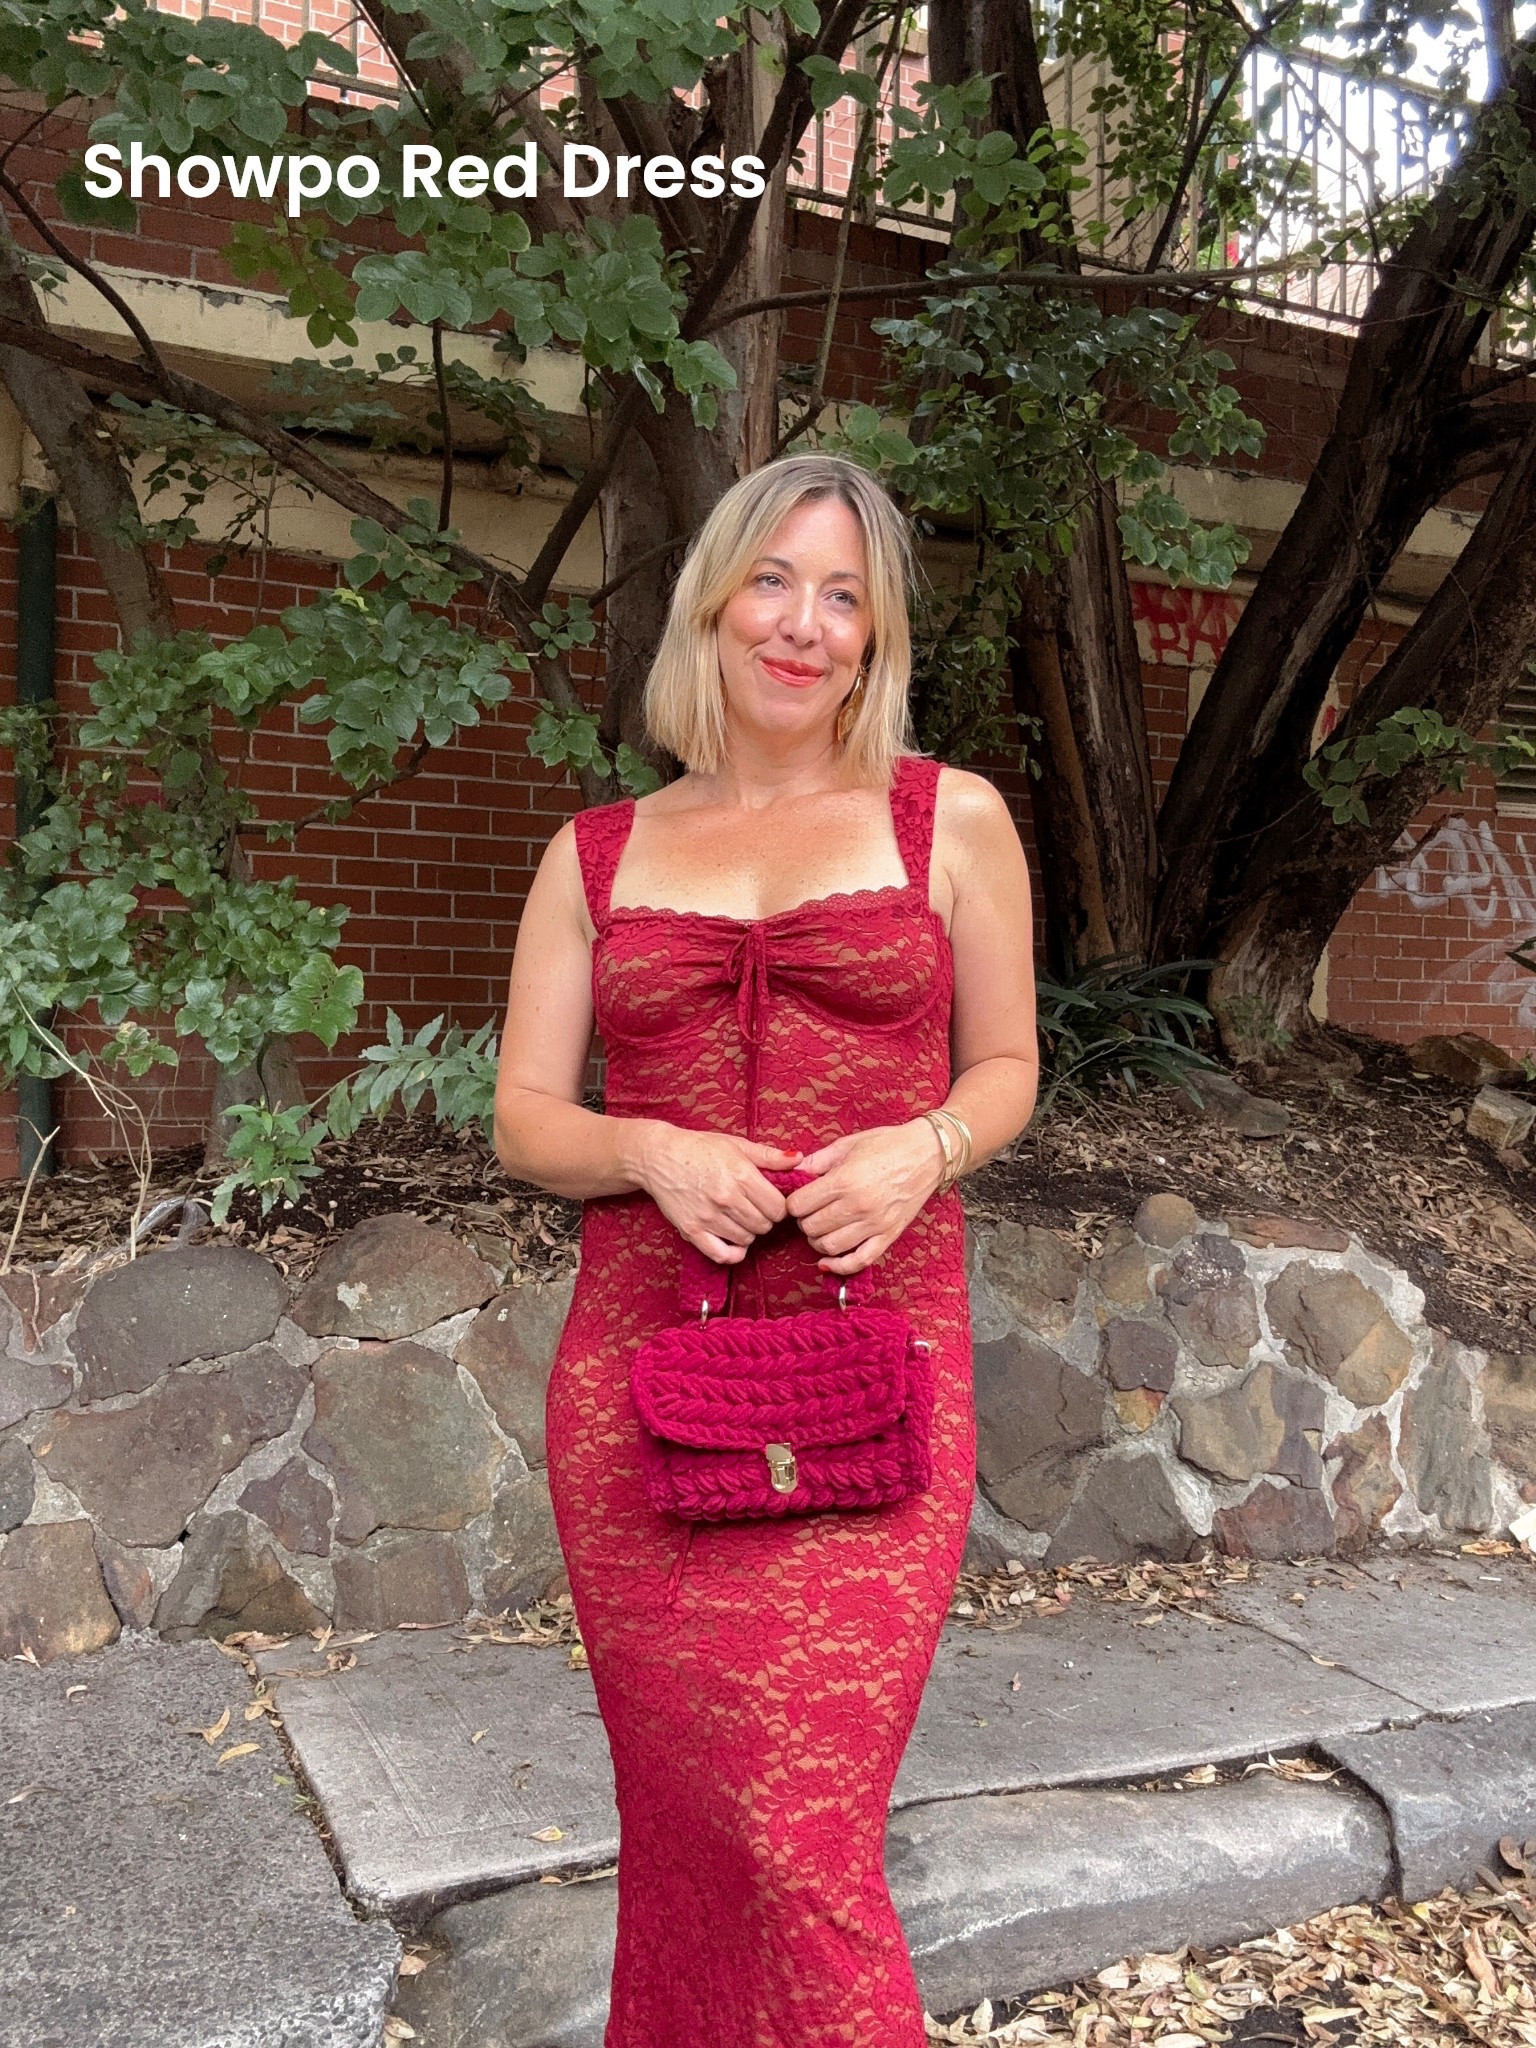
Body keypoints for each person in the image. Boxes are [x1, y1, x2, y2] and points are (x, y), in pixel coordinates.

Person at [493, 452, 1038, 2047]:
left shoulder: (955, 820)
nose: (804, 626)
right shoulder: (596, 854)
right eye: (775, 584)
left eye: (845, 596)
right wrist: (646, 1146)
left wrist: (924, 1144)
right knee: (691, 1832)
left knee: (799, 1830)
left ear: (876, 640)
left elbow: (1007, 1068)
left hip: (875, 1368)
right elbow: (527, 1121)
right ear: (715, 604)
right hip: (643, 1382)